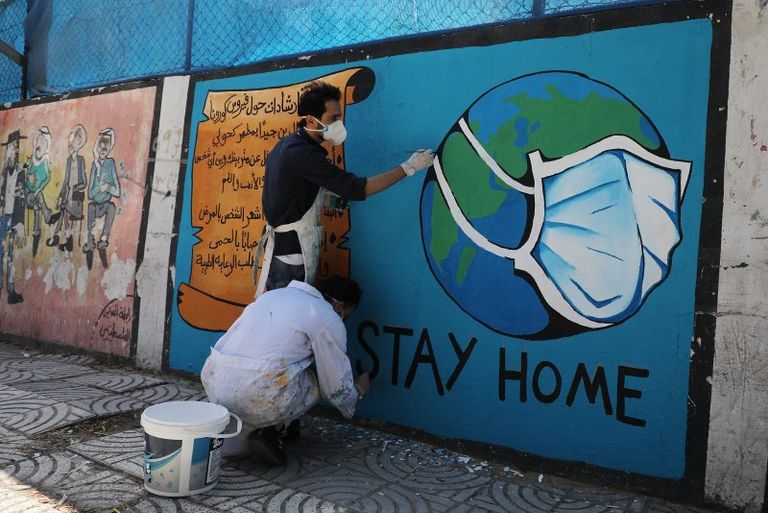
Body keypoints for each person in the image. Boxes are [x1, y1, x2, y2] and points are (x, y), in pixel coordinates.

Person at [256, 81, 434, 293]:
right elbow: (358, 188)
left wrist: (329, 199)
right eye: (333, 118)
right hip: (291, 257)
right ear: (311, 120)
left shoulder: (288, 145)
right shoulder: (302, 154)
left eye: (339, 117)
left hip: (281, 251)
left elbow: (292, 190)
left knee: (281, 307)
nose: (339, 123)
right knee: (291, 311)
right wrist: (409, 167)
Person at [201, 275, 369, 465]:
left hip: (215, 379)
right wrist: (358, 391)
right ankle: (272, 430)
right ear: (340, 305)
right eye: (347, 315)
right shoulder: (326, 316)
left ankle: (270, 428)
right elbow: (335, 389)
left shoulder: (271, 296)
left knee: (236, 437)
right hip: (260, 389)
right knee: (317, 380)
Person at [48, 124, 87, 252]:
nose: (70, 145)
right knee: (63, 208)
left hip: (76, 201)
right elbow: (65, 182)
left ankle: (58, 237)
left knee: (63, 210)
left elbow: (84, 182)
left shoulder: (80, 160)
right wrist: (60, 196)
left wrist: (75, 187)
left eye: (73, 142)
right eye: (70, 142)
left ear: (79, 143)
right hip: (67, 198)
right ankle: (65, 240)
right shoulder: (69, 160)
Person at [0, 130, 27, 304]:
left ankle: (10, 290)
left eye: (16, 147)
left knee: (10, 254)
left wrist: (20, 224)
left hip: (12, 217)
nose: (14, 149)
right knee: (0, 252)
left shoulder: (19, 170)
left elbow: (22, 198)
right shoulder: (4, 172)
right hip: (2, 217)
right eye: (12, 146)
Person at [84, 128, 120, 253]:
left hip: (105, 204)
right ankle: (90, 242)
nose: (103, 149)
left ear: (110, 147)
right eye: (101, 145)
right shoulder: (95, 165)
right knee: (91, 207)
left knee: (112, 207)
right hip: (95, 205)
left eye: (106, 145)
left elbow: (117, 191)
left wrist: (108, 187)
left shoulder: (110, 163)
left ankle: (104, 239)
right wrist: (99, 187)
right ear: (97, 146)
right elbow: (90, 194)